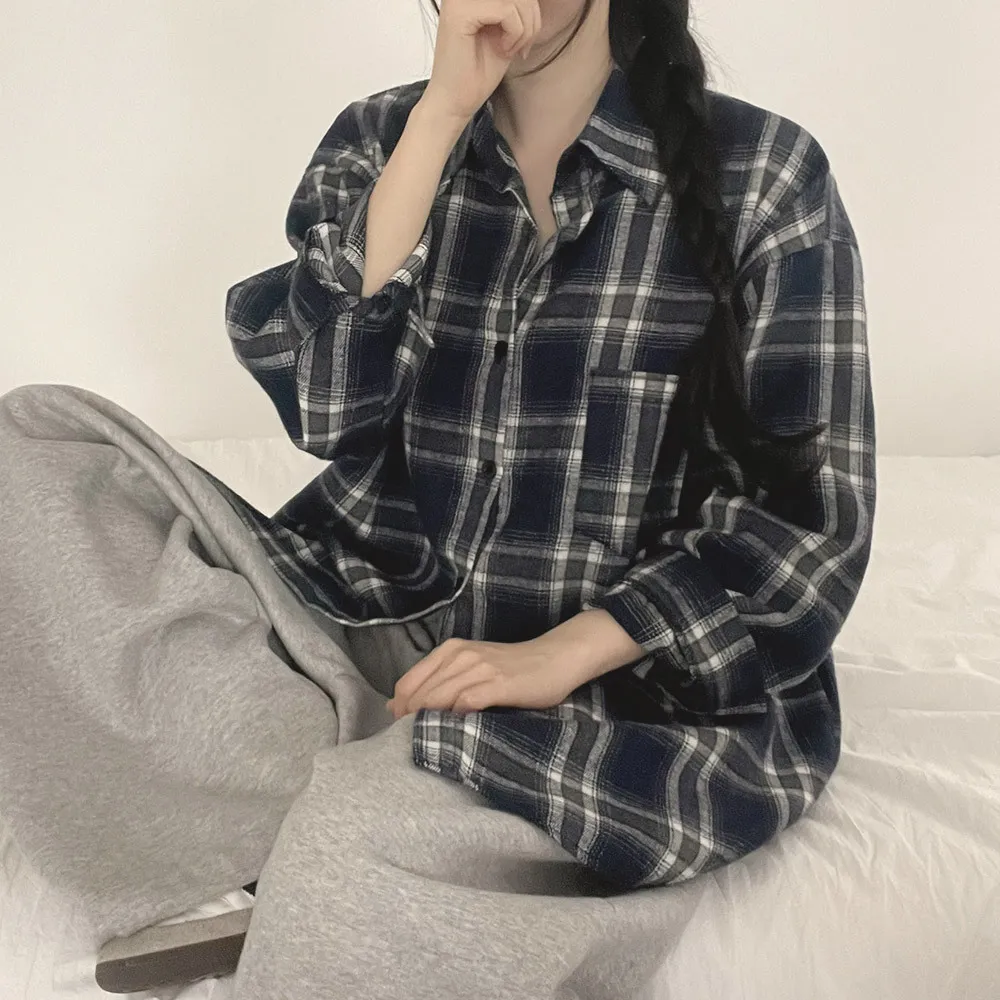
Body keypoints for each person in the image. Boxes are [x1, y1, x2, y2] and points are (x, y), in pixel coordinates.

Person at [0, 0, 876, 996]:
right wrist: (441, 120)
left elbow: (811, 518)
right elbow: (325, 407)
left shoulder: (764, 174)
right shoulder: (382, 137)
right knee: (30, 442)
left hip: (612, 688)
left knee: (362, 832)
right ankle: (324, 796)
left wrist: (558, 653)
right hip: (362, 618)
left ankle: (372, 824)